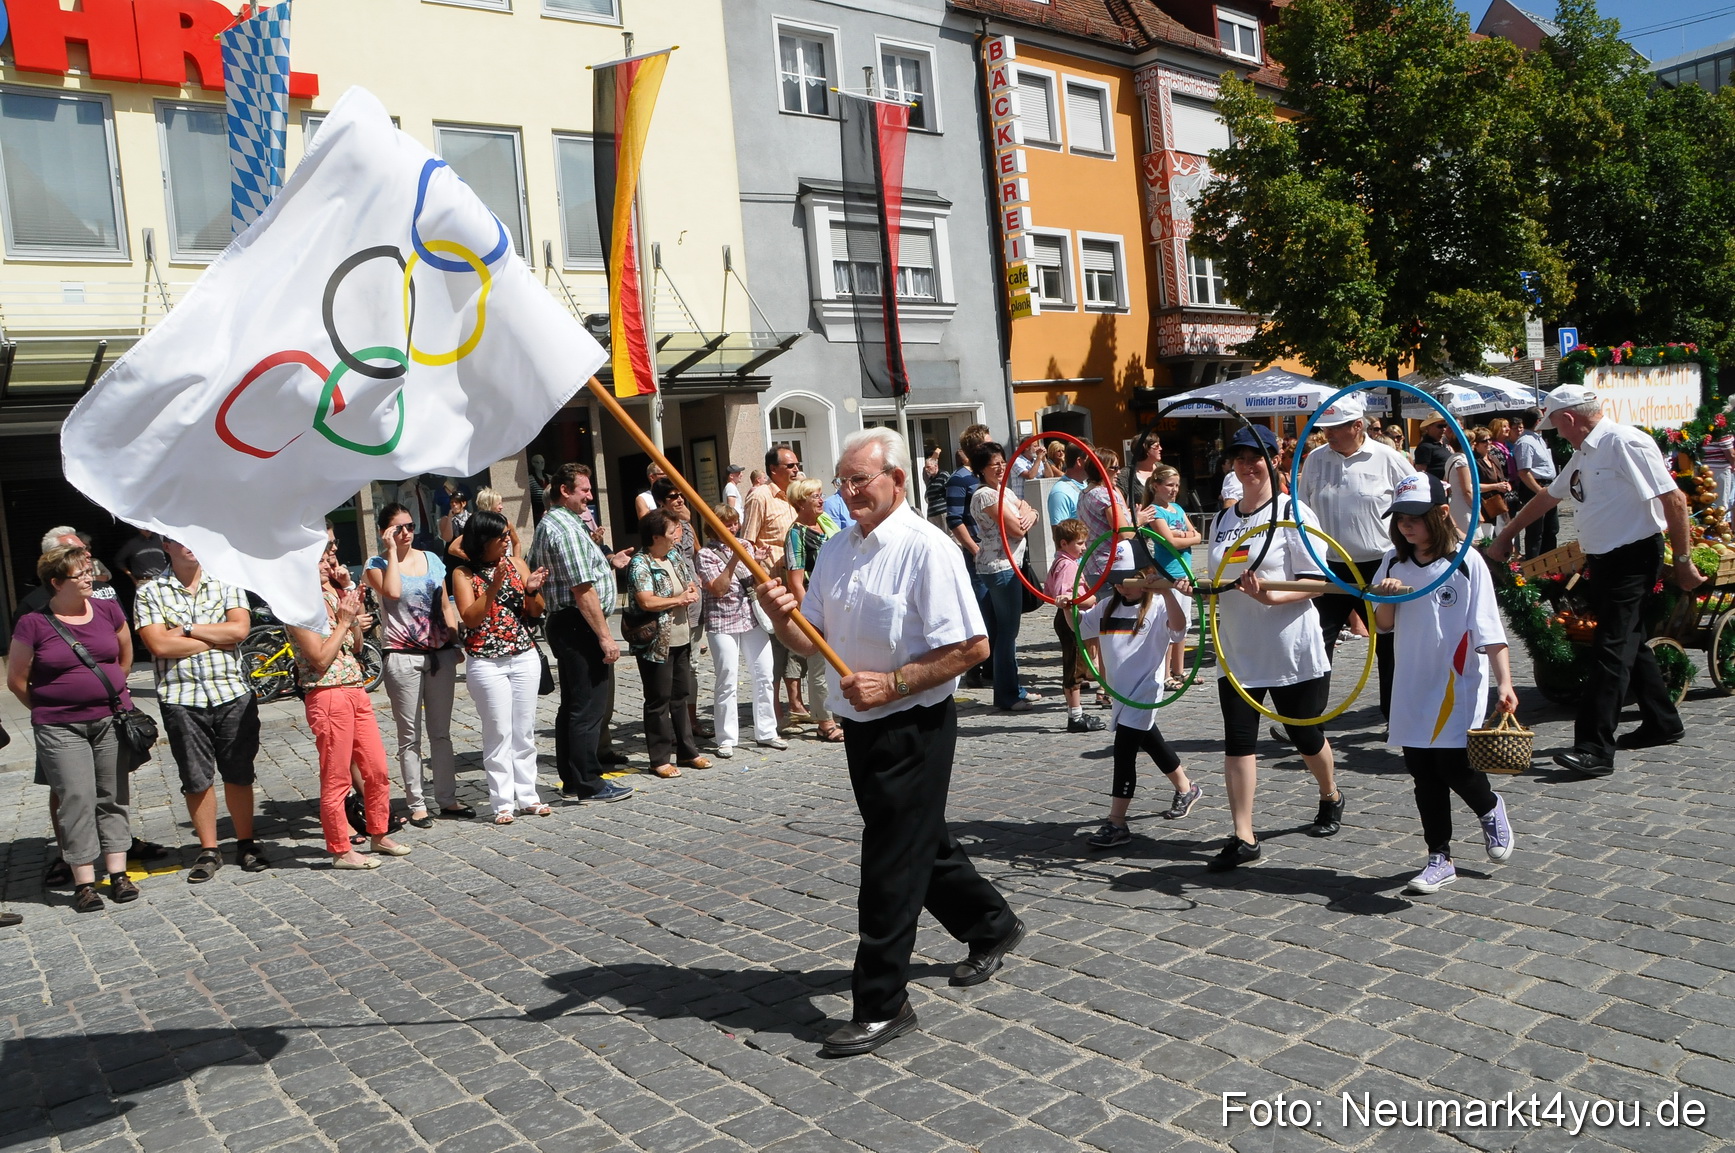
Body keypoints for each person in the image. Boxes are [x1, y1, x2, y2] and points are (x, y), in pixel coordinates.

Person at [757, 427, 1023, 1058]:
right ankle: (992, 924)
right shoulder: (837, 548)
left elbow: (972, 647)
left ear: (897, 480)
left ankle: (882, 1000)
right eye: (843, 482)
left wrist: (897, 682)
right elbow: (811, 639)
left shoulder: (927, 547)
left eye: (860, 481)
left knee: (889, 859)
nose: (848, 493)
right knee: (916, 841)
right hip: (860, 723)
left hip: (916, 725)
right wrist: (778, 614)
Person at [1490, 385, 1705, 775]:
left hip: (1634, 557)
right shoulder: (1585, 451)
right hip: (1605, 560)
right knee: (1630, 642)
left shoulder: (1625, 442)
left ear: (1568, 418)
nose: (1554, 432)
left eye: (1554, 424)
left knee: (1611, 649)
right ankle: (1663, 720)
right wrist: (1507, 535)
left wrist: (1685, 561)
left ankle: (1594, 747)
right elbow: (1550, 497)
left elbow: (1674, 500)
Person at [1369, 474, 1517, 894]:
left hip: (1458, 680)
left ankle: (1489, 808)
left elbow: (1490, 629)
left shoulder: (1467, 562)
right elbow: (1384, 626)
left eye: (1415, 516)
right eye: (1399, 518)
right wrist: (1385, 598)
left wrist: (1505, 682)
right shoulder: (1392, 562)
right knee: (1421, 771)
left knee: (1453, 766)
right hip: (1412, 681)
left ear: (1441, 514)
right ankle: (1440, 858)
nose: (1406, 526)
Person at [1206, 425, 1345, 872]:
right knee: (1238, 742)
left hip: (1289, 649)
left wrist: (1271, 596)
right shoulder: (1224, 519)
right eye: (1240, 458)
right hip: (1238, 650)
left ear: (1274, 460)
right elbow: (1221, 577)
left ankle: (1330, 794)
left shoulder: (1293, 512)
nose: (1247, 466)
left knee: (1305, 736)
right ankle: (1244, 835)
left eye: (1256, 457)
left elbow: (1320, 580)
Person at [7, 545, 140, 911]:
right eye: (79, 574)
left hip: (109, 719)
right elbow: (17, 679)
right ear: (56, 582)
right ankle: (84, 880)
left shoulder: (108, 609)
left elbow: (124, 657)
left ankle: (118, 873)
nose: (88, 578)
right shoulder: (33, 623)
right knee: (76, 799)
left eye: (89, 571)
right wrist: (52, 708)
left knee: (112, 794)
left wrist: (110, 690)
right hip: (60, 727)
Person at [135, 538, 269, 880]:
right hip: (182, 697)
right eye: (180, 538)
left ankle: (245, 842)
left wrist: (188, 630)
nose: (190, 545)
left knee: (238, 771)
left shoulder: (227, 581)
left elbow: (240, 630)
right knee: (195, 778)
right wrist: (215, 637)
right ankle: (209, 850)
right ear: (166, 545)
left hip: (231, 692)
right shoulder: (150, 592)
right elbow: (158, 643)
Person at [289, 540, 411, 868]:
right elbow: (318, 659)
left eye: (331, 558)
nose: (330, 565)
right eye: (322, 561)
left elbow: (357, 647)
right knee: (337, 776)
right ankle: (340, 849)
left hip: (354, 689)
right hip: (327, 694)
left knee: (377, 769)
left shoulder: (331, 595)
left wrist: (349, 606)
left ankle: (379, 833)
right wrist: (344, 621)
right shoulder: (297, 606)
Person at [1296, 393, 1414, 720]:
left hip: (1380, 565)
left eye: (1335, 428)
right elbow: (1301, 509)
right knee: (1317, 641)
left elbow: (1416, 496)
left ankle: (1397, 715)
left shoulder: (1387, 457)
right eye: (1326, 428)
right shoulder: (1316, 460)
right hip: (1330, 566)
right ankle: (1309, 718)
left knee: (1389, 642)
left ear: (1358, 426)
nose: (1328, 434)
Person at [529, 464, 634, 803]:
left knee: (574, 705)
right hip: (578, 623)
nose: (590, 496)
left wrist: (608, 561)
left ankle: (574, 778)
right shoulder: (565, 528)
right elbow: (582, 588)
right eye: (584, 490)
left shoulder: (559, 524)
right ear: (564, 490)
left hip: (570, 622)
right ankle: (589, 781)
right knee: (588, 707)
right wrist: (605, 636)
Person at [1078, 574, 1202, 850]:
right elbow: (1081, 629)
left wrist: (1169, 593)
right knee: (1150, 739)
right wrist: (1066, 608)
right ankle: (1186, 787)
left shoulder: (1158, 604)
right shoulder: (1107, 605)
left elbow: (1179, 630)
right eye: (1117, 582)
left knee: (1124, 751)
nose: (1122, 587)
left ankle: (1117, 822)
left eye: (1128, 581)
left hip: (1145, 689)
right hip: (1119, 692)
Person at [365, 503, 468, 827]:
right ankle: (417, 803)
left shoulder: (433, 560)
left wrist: (454, 641)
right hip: (401, 656)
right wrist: (391, 551)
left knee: (441, 733)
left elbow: (444, 604)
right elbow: (393, 591)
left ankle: (447, 798)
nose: (406, 532)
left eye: (409, 526)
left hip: (439, 656)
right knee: (409, 736)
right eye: (398, 528)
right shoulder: (376, 564)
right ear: (385, 531)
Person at [450, 511, 551, 821]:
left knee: (524, 730)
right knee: (498, 732)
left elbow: (535, 611)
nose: (508, 541)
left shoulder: (516, 564)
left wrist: (531, 589)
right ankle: (502, 802)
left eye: (508, 536)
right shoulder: (463, 574)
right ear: (484, 541)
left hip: (523, 655)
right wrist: (493, 587)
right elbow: (470, 617)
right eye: (501, 537)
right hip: (486, 661)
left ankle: (529, 796)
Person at [627, 510, 710, 778]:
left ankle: (688, 751)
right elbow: (646, 601)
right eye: (672, 530)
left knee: (680, 695)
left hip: (682, 636)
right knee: (658, 699)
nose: (678, 535)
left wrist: (692, 590)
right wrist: (678, 601)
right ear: (655, 536)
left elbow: (690, 582)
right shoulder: (640, 563)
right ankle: (659, 758)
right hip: (655, 642)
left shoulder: (673, 556)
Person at [696, 503, 781, 756]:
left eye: (735, 523)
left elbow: (754, 581)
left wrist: (757, 561)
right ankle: (726, 738)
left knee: (765, 674)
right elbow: (718, 588)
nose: (734, 528)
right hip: (722, 621)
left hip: (750, 617)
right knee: (727, 678)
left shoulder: (746, 545)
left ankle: (767, 731)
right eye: (727, 524)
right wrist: (735, 557)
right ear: (714, 528)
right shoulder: (706, 555)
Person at [970, 442, 1040, 711]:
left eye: (1002, 461)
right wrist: (1025, 515)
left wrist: (1029, 513)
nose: (1000, 467)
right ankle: (1007, 695)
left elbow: (1029, 511)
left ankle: (1014, 689)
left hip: (1008, 565)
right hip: (999, 567)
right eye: (993, 464)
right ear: (981, 469)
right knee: (1007, 634)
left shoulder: (1004, 491)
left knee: (1003, 632)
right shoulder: (986, 496)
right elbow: (1016, 529)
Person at [743, 446, 803, 723]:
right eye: (789, 465)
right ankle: (773, 711)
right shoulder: (760, 497)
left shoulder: (794, 495)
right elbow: (746, 544)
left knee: (797, 646)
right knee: (775, 652)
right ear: (772, 470)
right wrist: (762, 583)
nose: (794, 469)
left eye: (796, 465)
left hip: (797, 582)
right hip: (773, 585)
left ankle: (795, 702)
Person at [784, 478, 844, 741]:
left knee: (838, 662)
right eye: (814, 496)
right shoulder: (796, 534)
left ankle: (839, 710)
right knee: (819, 666)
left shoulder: (824, 524)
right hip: (817, 605)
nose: (821, 500)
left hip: (838, 602)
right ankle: (824, 722)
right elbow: (796, 581)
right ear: (800, 503)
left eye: (821, 495)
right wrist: (810, 617)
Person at [1045, 519, 1106, 734]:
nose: (1084, 548)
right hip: (1072, 619)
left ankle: (1077, 712)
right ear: (1064, 543)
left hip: (1070, 618)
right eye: (1080, 543)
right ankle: (1076, 716)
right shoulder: (1067, 565)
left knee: (1077, 663)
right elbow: (1065, 596)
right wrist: (1088, 599)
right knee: (1074, 667)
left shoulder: (1062, 561)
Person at [1146, 464, 1201, 689]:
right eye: (1169, 485)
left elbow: (1198, 535)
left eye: (1177, 485)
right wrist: (1181, 536)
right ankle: (1166, 673)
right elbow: (1170, 542)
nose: (1174, 490)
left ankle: (1179, 671)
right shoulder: (1154, 511)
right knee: (1170, 625)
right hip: (1167, 573)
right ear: (1155, 485)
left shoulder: (1177, 508)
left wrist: (1182, 535)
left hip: (1185, 572)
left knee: (1184, 624)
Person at [1511, 409, 1559, 558]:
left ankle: (1550, 561)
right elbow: (1524, 472)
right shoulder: (1525, 442)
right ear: (1538, 421)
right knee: (1535, 530)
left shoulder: (1538, 439)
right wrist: (1539, 491)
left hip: (1548, 487)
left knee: (1551, 528)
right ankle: (1535, 564)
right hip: (1535, 488)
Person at [1470, 427, 1515, 537]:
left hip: (1500, 505)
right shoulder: (1474, 462)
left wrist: (1506, 484)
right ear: (1476, 444)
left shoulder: (1494, 459)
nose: (1488, 443)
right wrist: (1495, 486)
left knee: (1505, 536)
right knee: (1487, 538)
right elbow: (1473, 486)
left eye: (1490, 439)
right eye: (1484, 441)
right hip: (1485, 506)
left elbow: (1502, 478)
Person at [1046, 444, 1090, 528]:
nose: (1094, 464)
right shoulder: (1060, 493)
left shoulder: (1084, 483)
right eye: (1090, 460)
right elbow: (1059, 534)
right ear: (1079, 461)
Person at [1412, 416, 1455, 481]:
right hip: (1435, 486)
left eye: (1445, 426)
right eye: (1440, 426)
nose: (1444, 429)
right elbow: (1421, 472)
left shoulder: (1444, 444)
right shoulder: (1425, 447)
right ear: (1429, 427)